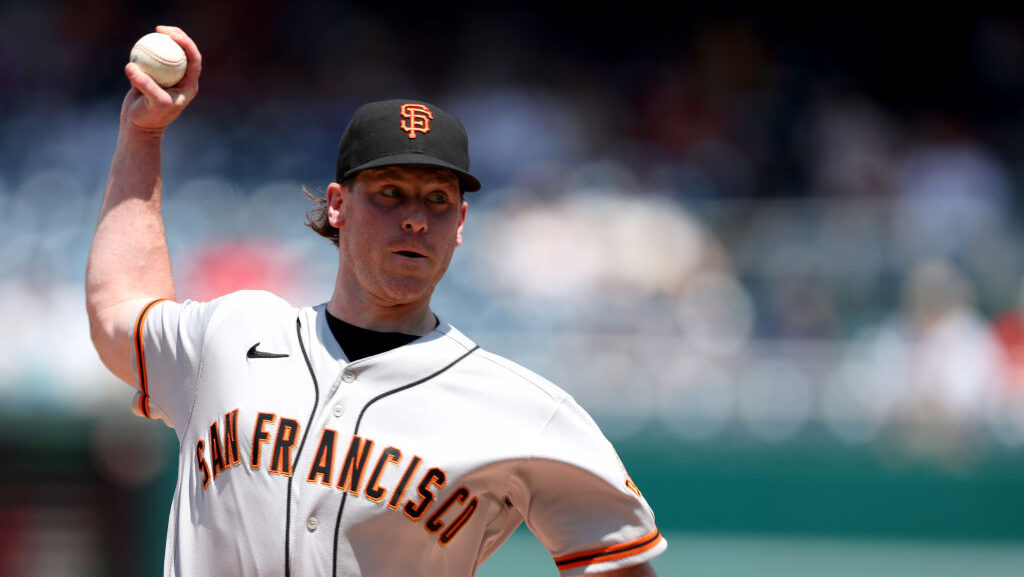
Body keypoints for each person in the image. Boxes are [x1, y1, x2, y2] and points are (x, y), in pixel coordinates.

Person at [85, 26, 666, 577]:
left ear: (459, 222)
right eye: (390, 193)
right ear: (337, 205)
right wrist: (143, 135)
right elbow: (120, 310)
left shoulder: (526, 410)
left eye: (438, 199)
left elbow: (618, 558)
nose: (416, 219)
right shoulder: (230, 336)